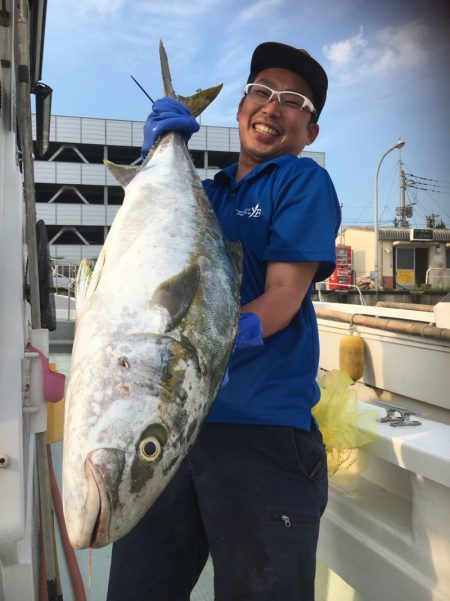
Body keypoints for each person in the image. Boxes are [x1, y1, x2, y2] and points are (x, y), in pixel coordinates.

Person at [107, 41, 341, 601]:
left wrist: (201, 347)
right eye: (261, 91)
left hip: (262, 435)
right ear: (239, 108)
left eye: (294, 101)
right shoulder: (206, 193)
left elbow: (284, 297)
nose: (272, 106)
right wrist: (157, 159)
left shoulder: (301, 183)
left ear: (309, 132)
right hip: (171, 430)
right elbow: (148, 252)